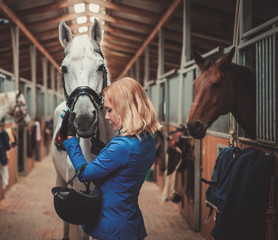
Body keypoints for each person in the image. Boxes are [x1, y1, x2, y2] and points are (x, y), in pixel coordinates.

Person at [61, 77, 161, 240]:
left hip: (111, 229)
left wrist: (71, 139)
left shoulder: (122, 145)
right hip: (130, 222)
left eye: (109, 110)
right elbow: (126, 163)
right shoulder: (147, 139)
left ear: (124, 108)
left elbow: (84, 174)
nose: (106, 117)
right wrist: (104, 149)